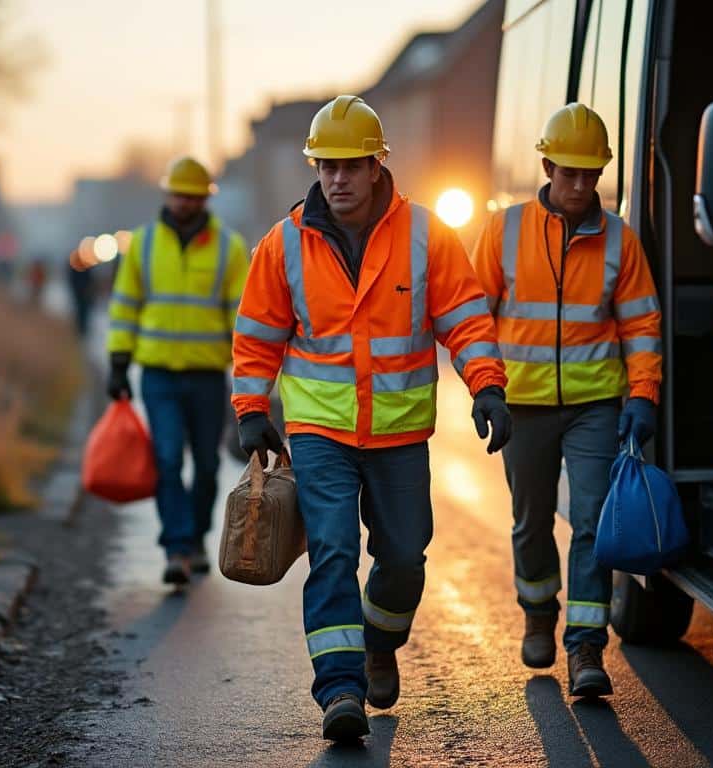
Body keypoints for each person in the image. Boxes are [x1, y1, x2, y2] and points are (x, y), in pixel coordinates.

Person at [230, 95, 512, 742]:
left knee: (404, 558)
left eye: (352, 165)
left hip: (399, 434)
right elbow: (256, 336)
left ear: (378, 165)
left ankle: (380, 640)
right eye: (327, 165)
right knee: (331, 552)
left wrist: (488, 387)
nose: (338, 178)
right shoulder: (285, 243)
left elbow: (466, 318)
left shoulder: (426, 235)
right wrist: (250, 410)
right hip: (319, 433)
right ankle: (340, 690)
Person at [469, 103, 663, 699]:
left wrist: (643, 395)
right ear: (547, 166)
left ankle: (585, 648)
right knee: (530, 521)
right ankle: (537, 612)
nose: (580, 185)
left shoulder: (620, 242)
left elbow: (642, 326)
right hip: (521, 407)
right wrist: (487, 389)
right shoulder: (503, 232)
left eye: (590, 175)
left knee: (591, 518)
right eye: (569, 173)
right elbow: (473, 318)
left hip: (595, 406)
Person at [106, 155, 249, 584]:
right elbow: (125, 306)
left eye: (192, 196)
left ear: (204, 198)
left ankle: (196, 539)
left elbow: (244, 320)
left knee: (206, 465)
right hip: (158, 376)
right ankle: (177, 548)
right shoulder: (144, 244)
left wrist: (251, 376)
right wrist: (118, 363)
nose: (184, 202)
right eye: (178, 194)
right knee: (167, 460)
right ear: (167, 194)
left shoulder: (230, 248)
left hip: (207, 376)